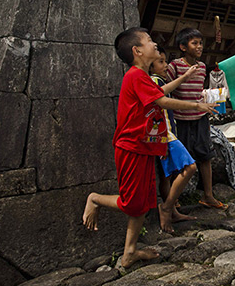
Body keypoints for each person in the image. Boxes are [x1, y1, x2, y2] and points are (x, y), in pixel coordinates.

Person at [82, 28, 216, 268]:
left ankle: (129, 252)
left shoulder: (143, 76)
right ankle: (95, 199)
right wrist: (196, 104)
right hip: (131, 148)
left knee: (143, 203)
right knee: (132, 202)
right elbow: (161, 101)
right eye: (149, 41)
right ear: (137, 51)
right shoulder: (134, 75)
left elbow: (160, 92)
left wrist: (184, 82)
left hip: (146, 147)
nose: (154, 44)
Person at [167, 28, 227, 210]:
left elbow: (197, 91)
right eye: (194, 43)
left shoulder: (202, 67)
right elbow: (167, 90)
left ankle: (208, 195)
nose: (199, 46)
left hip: (200, 118)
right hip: (181, 119)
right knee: (180, 158)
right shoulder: (174, 66)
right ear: (183, 47)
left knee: (205, 156)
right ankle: (174, 198)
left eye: (200, 43)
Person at [149, 46, 200, 233]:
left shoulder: (157, 80)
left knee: (167, 176)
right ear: (151, 67)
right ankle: (167, 207)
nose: (165, 65)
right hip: (166, 136)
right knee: (190, 167)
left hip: (163, 134)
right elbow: (159, 95)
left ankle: (172, 209)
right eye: (160, 62)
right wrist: (184, 78)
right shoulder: (154, 81)